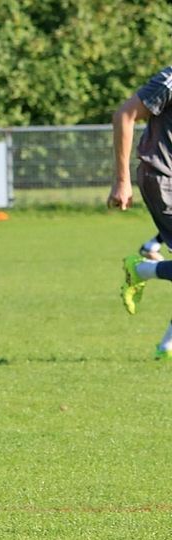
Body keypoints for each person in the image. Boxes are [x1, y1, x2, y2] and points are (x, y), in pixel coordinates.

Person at [110, 63, 172, 360]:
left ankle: (167, 347)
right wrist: (122, 182)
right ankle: (141, 268)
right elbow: (125, 114)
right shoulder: (169, 79)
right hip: (162, 178)